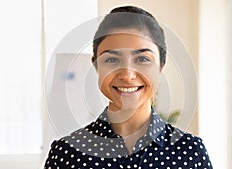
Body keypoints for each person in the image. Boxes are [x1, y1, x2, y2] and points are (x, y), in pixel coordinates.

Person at [44, 6, 212, 169]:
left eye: (142, 59)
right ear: (96, 66)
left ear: (160, 66)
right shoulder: (65, 154)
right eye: (112, 60)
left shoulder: (191, 153)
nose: (127, 75)